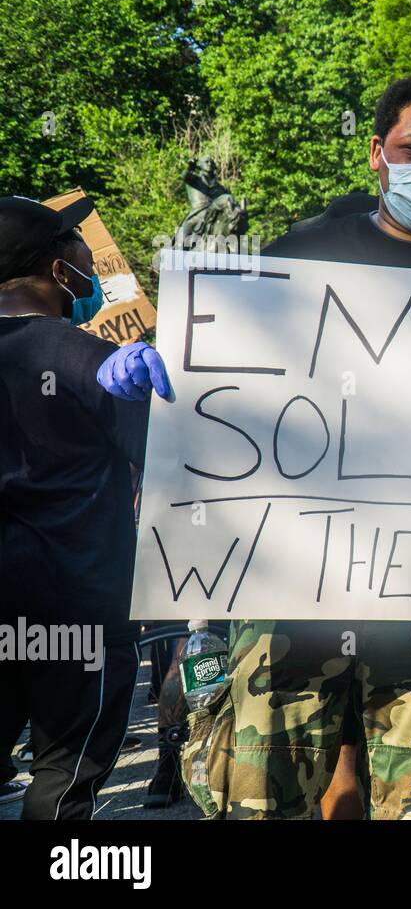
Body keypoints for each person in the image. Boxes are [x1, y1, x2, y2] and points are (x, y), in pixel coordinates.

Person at [202, 74, 411, 820]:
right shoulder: (295, 257)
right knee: (259, 800)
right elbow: (225, 401)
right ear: (378, 154)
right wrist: (168, 378)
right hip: (291, 598)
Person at [0, 195, 171, 818]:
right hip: (79, 611)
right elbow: (171, 471)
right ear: (55, 267)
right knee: (64, 778)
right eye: (76, 242)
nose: (89, 257)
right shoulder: (95, 363)